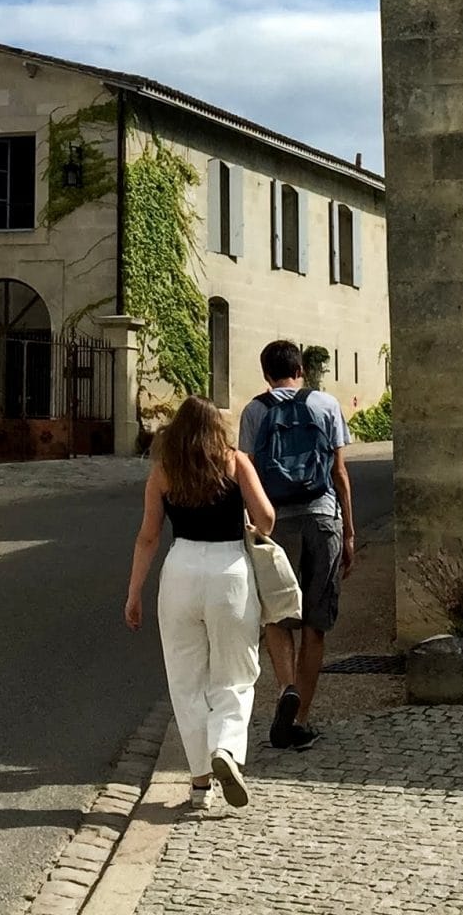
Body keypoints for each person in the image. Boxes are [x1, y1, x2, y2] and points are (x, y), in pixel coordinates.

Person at [124, 394, 278, 808]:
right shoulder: (235, 461)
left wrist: (135, 591)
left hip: (181, 571)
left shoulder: (163, 471)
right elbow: (266, 519)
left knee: (186, 680)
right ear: (217, 428)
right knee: (236, 673)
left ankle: (198, 784)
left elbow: (148, 536)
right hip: (229, 571)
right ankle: (226, 748)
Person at [239, 339, 354, 751]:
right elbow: (339, 473)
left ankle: (286, 687)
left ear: (266, 374)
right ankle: (301, 717)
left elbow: (246, 474)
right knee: (315, 622)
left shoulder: (255, 411)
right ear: (300, 370)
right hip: (323, 519)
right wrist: (351, 532)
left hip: (277, 523)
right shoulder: (325, 405)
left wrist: (249, 529)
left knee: (277, 614)